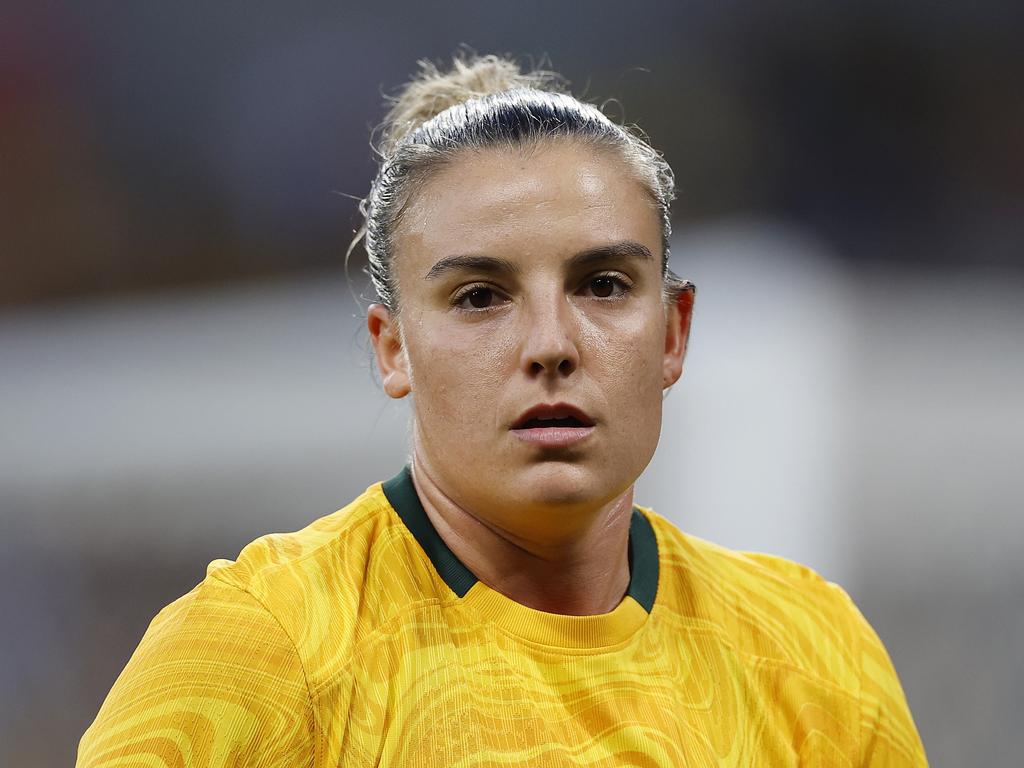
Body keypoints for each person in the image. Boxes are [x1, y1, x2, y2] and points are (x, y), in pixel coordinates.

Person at [77, 53, 927, 767]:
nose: (551, 343)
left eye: (603, 285)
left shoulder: (815, 654)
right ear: (392, 348)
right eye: (481, 296)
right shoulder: (261, 655)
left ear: (672, 334)